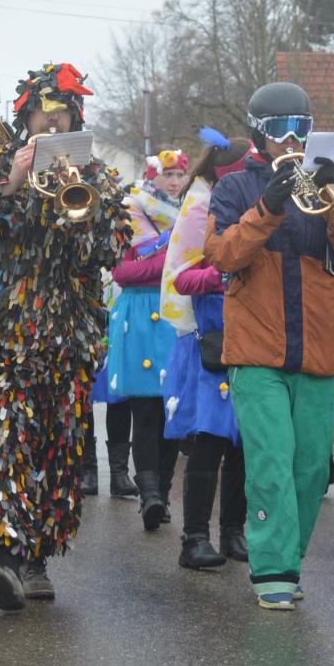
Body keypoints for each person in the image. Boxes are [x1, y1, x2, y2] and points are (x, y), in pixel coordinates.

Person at [0, 62, 130, 610]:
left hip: (67, 338)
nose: (52, 124)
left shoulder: (95, 175)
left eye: (62, 114)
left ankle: (36, 558)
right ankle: (3, 556)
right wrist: (11, 183)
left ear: (76, 119)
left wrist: (83, 215)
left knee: (57, 449)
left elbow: (112, 251)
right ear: (23, 118)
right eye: (42, 115)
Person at [204, 82, 334, 610]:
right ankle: (272, 569)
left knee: (312, 468)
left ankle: (288, 559)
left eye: (302, 127)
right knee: (272, 461)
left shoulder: (326, 186)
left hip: (317, 346)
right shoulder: (233, 188)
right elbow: (222, 256)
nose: (292, 139)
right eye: (281, 129)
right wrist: (268, 207)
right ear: (259, 133)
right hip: (257, 350)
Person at [160, 128, 251, 568]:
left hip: (254, 332)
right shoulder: (202, 206)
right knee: (211, 439)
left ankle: (234, 531)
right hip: (214, 335)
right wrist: (223, 274)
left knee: (244, 442)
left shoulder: (258, 206)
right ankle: (194, 537)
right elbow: (182, 277)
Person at [105, 148, 187, 529]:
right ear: (153, 177)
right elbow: (123, 272)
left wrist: (161, 259)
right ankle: (149, 493)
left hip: (175, 314)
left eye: (180, 175)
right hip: (139, 315)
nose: (174, 181)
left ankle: (162, 493)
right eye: (168, 174)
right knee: (145, 409)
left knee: (171, 410)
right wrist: (169, 252)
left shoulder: (191, 210)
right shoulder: (132, 210)